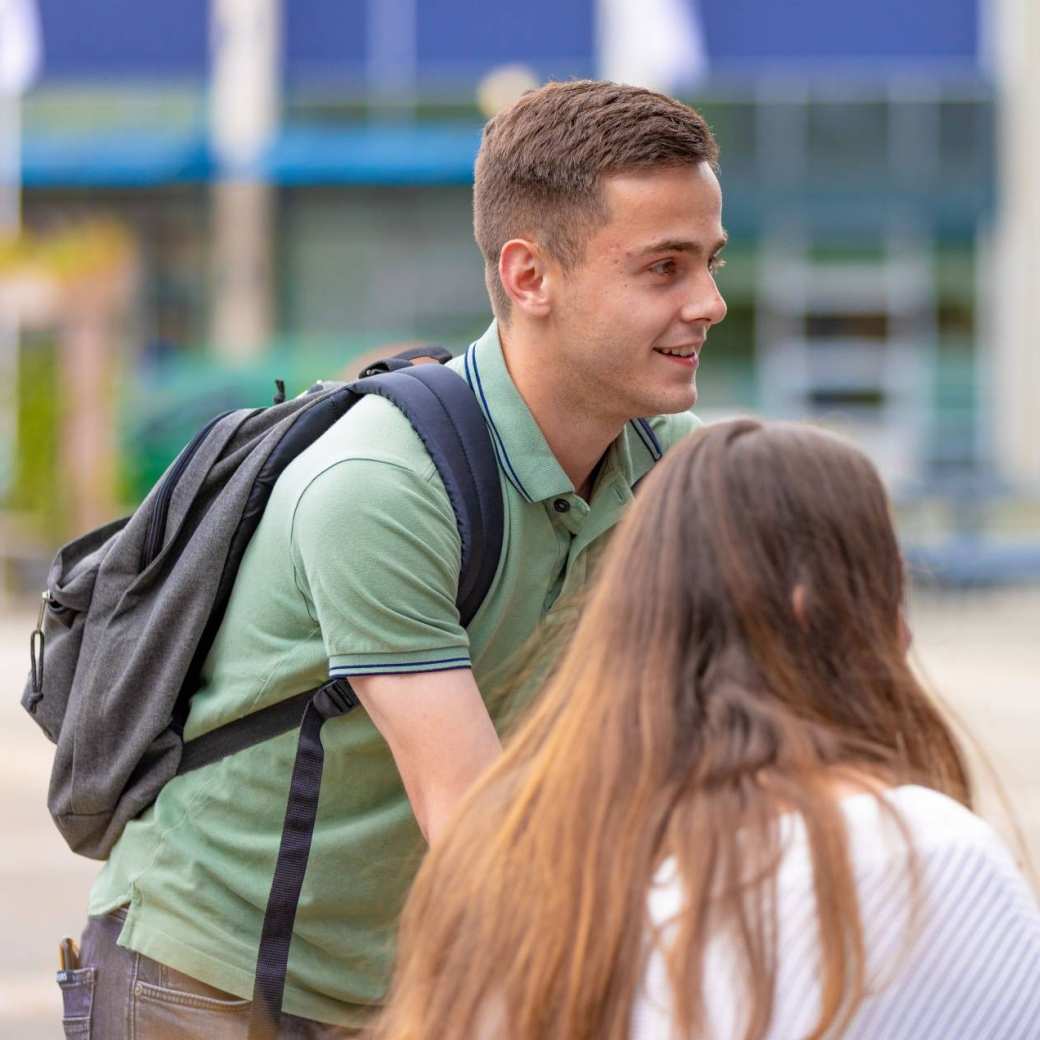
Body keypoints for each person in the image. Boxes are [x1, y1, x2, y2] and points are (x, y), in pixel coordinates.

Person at [72, 80, 728, 1036]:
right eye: (663, 268)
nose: (709, 302)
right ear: (529, 276)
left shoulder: (672, 466)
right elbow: (468, 819)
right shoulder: (385, 484)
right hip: (207, 980)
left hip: (401, 986)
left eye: (711, 259)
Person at [371, 419, 1040, 1040]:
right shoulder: (921, 855)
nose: (905, 629)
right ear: (811, 610)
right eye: (887, 588)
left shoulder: (520, 854)